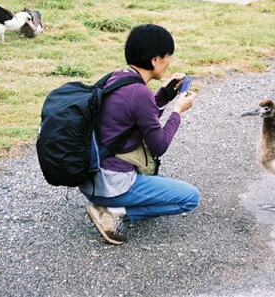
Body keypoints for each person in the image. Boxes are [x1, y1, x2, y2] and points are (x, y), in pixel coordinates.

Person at [79, 24, 200, 245]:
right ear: (155, 60)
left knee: (159, 182)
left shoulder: (117, 77)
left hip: (92, 178)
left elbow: (135, 112)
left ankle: (111, 204)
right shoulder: (139, 92)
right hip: (113, 183)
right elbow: (159, 145)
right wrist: (177, 111)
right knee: (190, 197)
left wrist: (165, 93)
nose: (169, 61)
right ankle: (115, 212)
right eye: (167, 56)